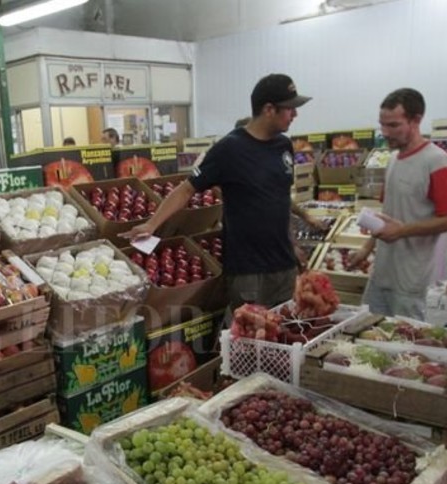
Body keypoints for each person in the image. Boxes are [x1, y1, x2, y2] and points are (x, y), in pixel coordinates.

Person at [123, 73, 312, 310]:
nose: (295, 114)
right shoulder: (229, 149)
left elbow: (280, 201)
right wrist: (151, 224)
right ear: (268, 109)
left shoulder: (283, 146)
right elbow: (186, 189)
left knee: (285, 336)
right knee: (252, 340)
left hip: (284, 267)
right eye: (289, 108)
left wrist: (292, 244)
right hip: (249, 272)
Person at [352, 88, 447, 319]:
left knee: (407, 345)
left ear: (416, 120)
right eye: (382, 125)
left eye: (394, 125)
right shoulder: (394, 159)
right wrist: (367, 248)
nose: (385, 132)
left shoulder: (437, 162)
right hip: (383, 274)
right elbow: (389, 212)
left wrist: (403, 231)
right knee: (369, 333)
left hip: (414, 281)